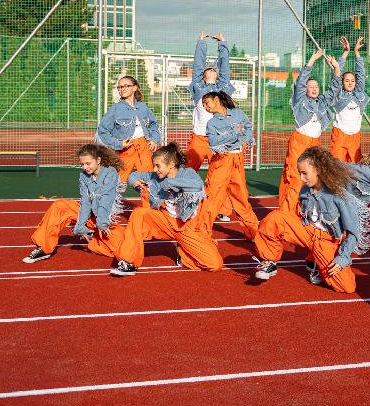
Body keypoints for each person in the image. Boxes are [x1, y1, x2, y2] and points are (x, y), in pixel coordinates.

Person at [253, 147, 363, 292]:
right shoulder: (305, 190)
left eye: (304, 173)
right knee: (275, 218)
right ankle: (269, 261)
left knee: (346, 287)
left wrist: (342, 258)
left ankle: (318, 262)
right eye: (300, 173)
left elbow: (353, 232)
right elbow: (301, 218)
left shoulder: (340, 196)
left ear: (318, 170)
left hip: (326, 241)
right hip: (306, 233)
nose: (301, 178)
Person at [111, 143, 224, 276]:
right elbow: (134, 175)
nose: (155, 169)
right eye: (154, 165)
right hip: (164, 221)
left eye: (158, 166)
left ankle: (185, 255)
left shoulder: (188, 173)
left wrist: (170, 183)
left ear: (171, 164)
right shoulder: (156, 176)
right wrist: (134, 181)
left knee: (215, 264)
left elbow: (197, 185)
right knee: (139, 213)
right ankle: (127, 261)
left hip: (187, 227)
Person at [24, 144, 127, 264]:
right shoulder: (84, 176)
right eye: (82, 164)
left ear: (98, 160)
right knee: (60, 206)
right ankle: (44, 248)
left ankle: (94, 238)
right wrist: (80, 226)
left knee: (121, 248)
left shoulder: (111, 173)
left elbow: (106, 199)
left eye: (88, 163)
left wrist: (102, 223)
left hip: (105, 220)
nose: (85, 167)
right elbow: (85, 202)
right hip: (91, 216)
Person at [276, 50, 340, 212]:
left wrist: (336, 69)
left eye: (316, 86)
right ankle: (287, 213)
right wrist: (313, 59)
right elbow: (301, 81)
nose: (313, 89)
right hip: (299, 142)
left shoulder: (321, 103)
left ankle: (304, 210)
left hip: (314, 145)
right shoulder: (300, 101)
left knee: (312, 178)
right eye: (310, 87)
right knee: (295, 177)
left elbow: (333, 90)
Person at [186, 31, 235, 223]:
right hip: (199, 139)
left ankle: (222, 209)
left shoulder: (223, 90)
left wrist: (223, 44)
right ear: (204, 76)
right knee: (188, 172)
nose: (212, 70)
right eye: (208, 70)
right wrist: (201, 43)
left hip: (218, 141)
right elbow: (197, 66)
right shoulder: (198, 88)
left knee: (220, 176)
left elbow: (226, 69)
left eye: (214, 69)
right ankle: (183, 202)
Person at [198, 91, 260, 240]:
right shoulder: (212, 123)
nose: (206, 107)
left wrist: (244, 139)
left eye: (207, 103)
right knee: (212, 197)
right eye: (204, 105)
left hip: (237, 160)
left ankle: (253, 232)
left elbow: (247, 129)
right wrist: (235, 135)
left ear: (217, 99)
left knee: (241, 197)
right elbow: (214, 143)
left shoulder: (238, 113)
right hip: (221, 161)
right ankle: (202, 234)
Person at [96, 75, 162, 182]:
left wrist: (154, 139)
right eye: (120, 87)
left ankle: (149, 198)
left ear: (134, 88)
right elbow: (103, 130)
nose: (122, 89)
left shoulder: (143, 107)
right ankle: (109, 198)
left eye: (126, 86)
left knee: (148, 180)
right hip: (126, 149)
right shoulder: (115, 109)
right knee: (118, 180)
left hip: (144, 148)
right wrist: (119, 144)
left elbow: (154, 124)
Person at [330, 36, 369, 163]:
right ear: (342, 82)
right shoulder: (339, 94)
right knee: (337, 166)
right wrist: (346, 52)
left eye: (352, 81)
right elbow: (337, 73)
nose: (350, 83)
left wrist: (357, 53)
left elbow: (361, 74)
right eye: (347, 80)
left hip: (355, 136)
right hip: (340, 134)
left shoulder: (358, 94)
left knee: (355, 167)